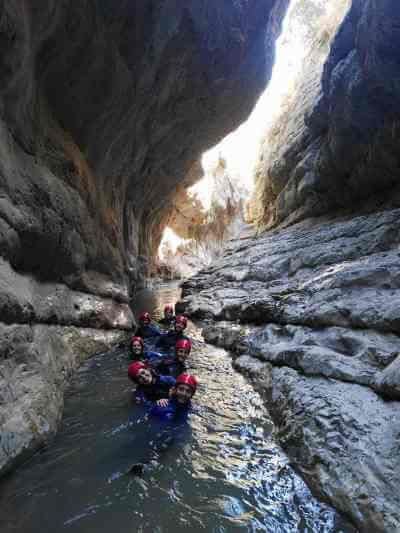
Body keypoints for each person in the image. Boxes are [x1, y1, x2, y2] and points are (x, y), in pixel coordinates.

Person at [128, 373, 198, 475]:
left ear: (192, 394)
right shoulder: (162, 406)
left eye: (188, 391)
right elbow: (148, 420)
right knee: (160, 446)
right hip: (159, 435)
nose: (183, 393)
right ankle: (142, 464)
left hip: (173, 434)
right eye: (181, 389)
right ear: (175, 389)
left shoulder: (190, 407)